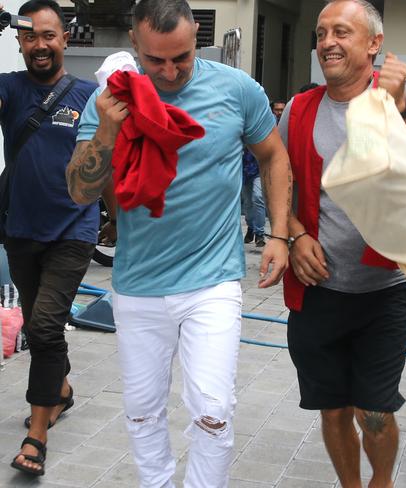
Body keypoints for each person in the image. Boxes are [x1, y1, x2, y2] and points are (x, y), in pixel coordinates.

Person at [65, 1, 292, 486]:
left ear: (197, 41)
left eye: (182, 57)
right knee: (143, 413)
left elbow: (273, 155)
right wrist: (108, 128)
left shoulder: (236, 89)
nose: (170, 71)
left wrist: (278, 233)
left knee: (213, 411)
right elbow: (80, 190)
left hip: (212, 280)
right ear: (134, 47)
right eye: (156, 60)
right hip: (137, 283)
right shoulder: (111, 98)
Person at [278, 1, 406, 487]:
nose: (327, 42)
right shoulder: (301, 108)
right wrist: (295, 233)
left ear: (374, 44)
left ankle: (380, 484)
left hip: (385, 290)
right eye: (321, 33)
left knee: (374, 410)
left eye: (342, 31)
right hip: (316, 289)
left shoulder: (400, 93)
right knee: (334, 408)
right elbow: (277, 182)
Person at [0, 0, 108, 477]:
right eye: (30, 37)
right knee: (41, 326)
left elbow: (110, 154)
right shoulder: (8, 89)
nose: (40, 45)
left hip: (73, 229)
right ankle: (59, 389)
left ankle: (36, 436)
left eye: (49, 35)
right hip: (19, 229)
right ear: (19, 41)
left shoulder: (89, 95)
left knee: (43, 327)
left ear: (66, 38)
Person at [242, 147, 267, 247]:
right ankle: (251, 227)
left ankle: (259, 234)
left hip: (259, 169)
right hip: (243, 170)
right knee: (248, 203)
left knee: (258, 197)